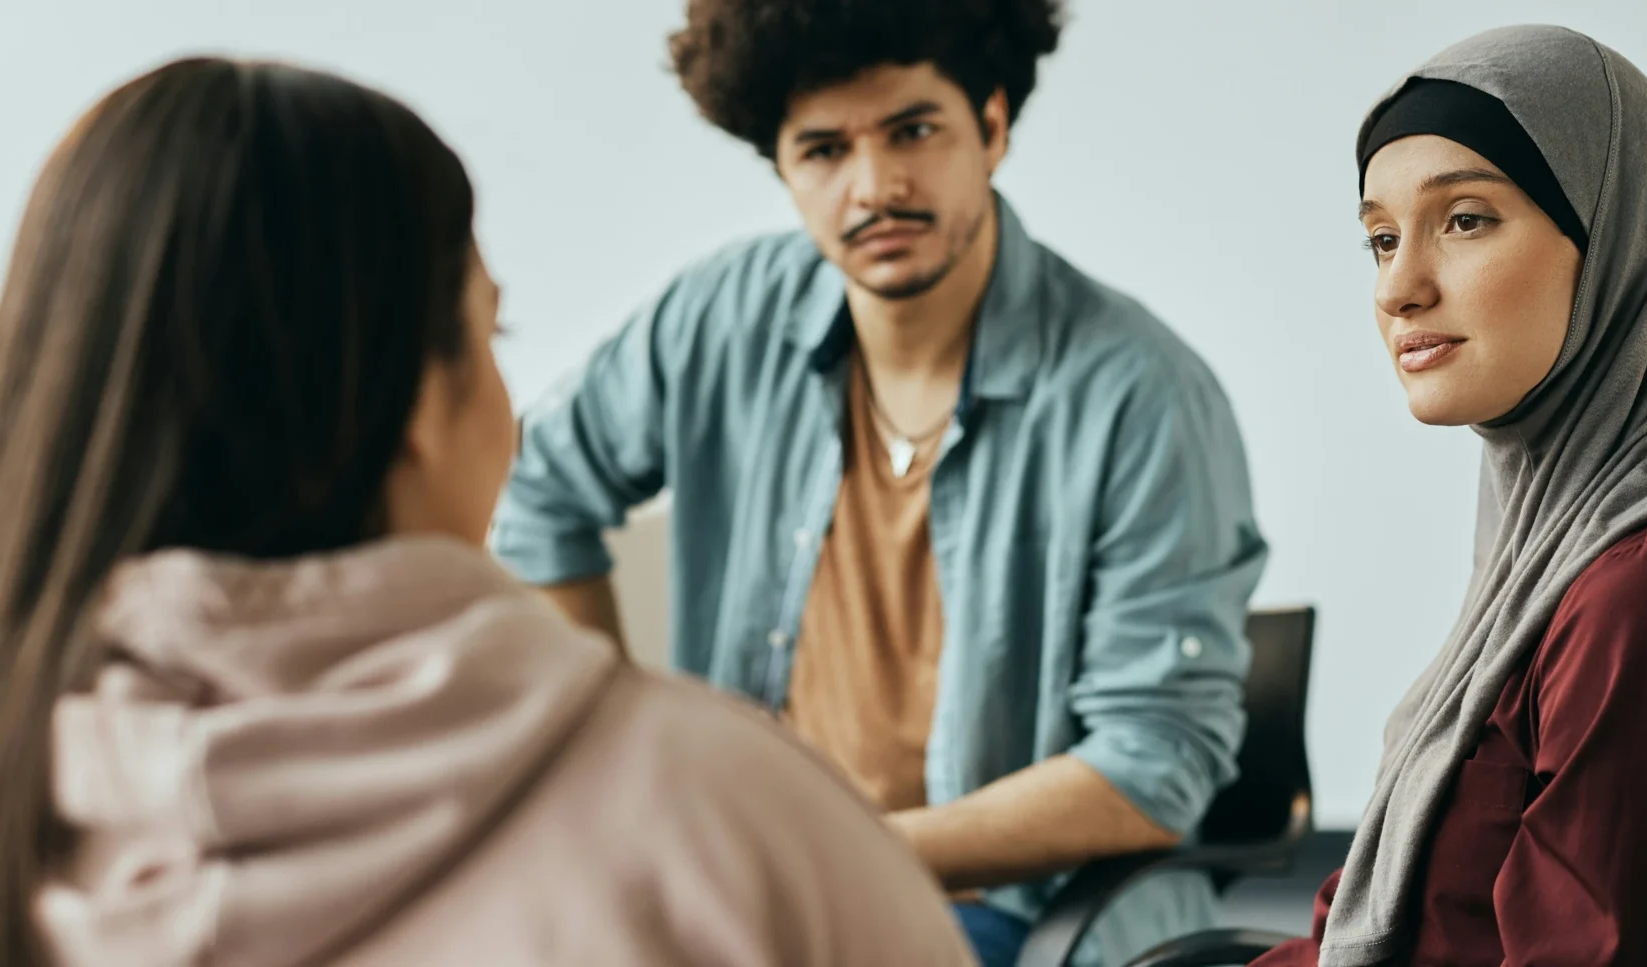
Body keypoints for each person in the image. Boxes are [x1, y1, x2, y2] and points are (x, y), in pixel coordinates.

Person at [0, 58, 974, 967]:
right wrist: (605, 717)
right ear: (420, 394)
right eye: (491, 331)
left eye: (911, 131)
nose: (871, 183)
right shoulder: (740, 824)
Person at [493, 1, 1269, 963]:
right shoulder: (717, 320)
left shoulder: (1140, 394)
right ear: (781, 167)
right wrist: (621, 750)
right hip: (740, 886)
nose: (874, 186)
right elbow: (536, 489)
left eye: (912, 130)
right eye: (822, 150)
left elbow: (1153, 762)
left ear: (990, 125)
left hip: (1013, 909)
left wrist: (838, 853)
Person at [1252, 25, 1647, 967]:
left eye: (1464, 219)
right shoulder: (1559, 551)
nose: (1398, 287)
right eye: (1381, 238)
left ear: (1618, 237)